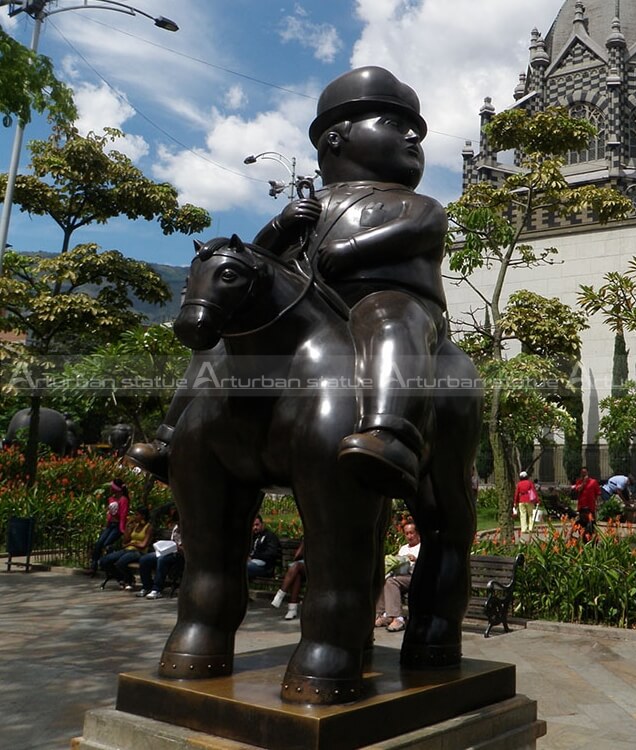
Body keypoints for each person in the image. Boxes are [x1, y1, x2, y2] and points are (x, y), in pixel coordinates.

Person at [127, 66, 447, 500]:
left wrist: (353, 248)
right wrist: (280, 225)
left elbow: (419, 229)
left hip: (389, 301)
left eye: (416, 132)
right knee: (220, 345)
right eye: (396, 125)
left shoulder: (416, 203)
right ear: (336, 138)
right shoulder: (308, 205)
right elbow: (256, 261)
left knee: (389, 319)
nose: (413, 138)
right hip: (313, 310)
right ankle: (170, 436)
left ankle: (391, 435)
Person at [374, 521, 421, 632]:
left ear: (417, 533)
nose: (409, 536)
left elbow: (428, 565)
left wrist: (416, 560)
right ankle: (383, 614)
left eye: (411, 533)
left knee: (392, 581)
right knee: (384, 580)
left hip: (416, 577)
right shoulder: (403, 548)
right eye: (407, 533)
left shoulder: (422, 547)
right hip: (401, 576)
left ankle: (397, 618)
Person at [100, 506, 153, 589]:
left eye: (137, 515)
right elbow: (125, 541)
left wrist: (131, 544)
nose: (135, 517)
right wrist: (127, 526)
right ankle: (121, 579)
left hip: (139, 552)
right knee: (104, 561)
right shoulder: (135, 526)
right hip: (127, 550)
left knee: (120, 563)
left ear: (143, 516)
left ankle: (129, 579)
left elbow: (143, 545)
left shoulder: (149, 527)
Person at [136, 512, 183, 600]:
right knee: (145, 559)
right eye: (177, 522)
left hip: (180, 556)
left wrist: (178, 548)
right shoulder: (176, 528)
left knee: (162, 560)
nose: (178, 525)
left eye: (179, 522)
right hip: (170, 551)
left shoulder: (191, 529)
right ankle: (146, 586)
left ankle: (156, 589)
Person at [88, 478, 129, 575]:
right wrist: (107, 524)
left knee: (107, 544)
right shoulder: (111, 499)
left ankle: (108, 565)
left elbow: (123, 514)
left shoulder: (123, 500)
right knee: (99, 543)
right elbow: (110, 514)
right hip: (110, 525)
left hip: (117, 525)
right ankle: (94, 566)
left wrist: (122, 528)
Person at [270, 540, 305, 620]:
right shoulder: (308, 539)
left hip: (318, 567)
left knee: (296, 566)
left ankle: (280, 595)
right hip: (304, 567)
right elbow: (297, 556)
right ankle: (292, 610)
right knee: (297, 575)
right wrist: (304, 543)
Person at [247, 515, 281, 581]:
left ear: (262, 524)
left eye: (257, 525)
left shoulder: (270, 536)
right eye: (253, 526)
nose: (255, 527)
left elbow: (271, 554)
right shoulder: (252, 537)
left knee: (241, 568)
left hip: (265, 568)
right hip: (252, 563)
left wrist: (253, 556)